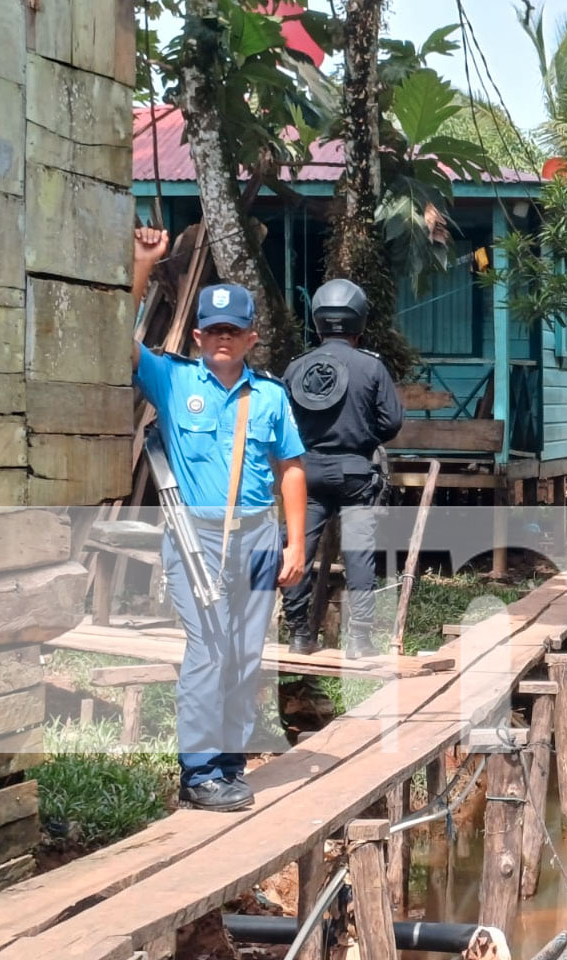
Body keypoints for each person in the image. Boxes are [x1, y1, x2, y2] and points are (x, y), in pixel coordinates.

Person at [130, 227, 307, 812]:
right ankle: (199, 772)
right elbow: (116, 340)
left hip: (258, 537)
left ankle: (229, 763)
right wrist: (143, 265)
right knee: (208, 649)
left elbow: (291, 472)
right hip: (194, 537)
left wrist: (295, 544)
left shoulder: (272, 397)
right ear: (199, 334)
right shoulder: (175, 381)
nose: (223, 339)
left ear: (251, 337)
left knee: (247, 653)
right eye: (214, 330)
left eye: (234, 331)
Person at [279, 279, 405, 659]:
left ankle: (300, 635)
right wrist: (364, 436)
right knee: (358, 552)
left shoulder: (297, 368)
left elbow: (281, 422)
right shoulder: (371, 367)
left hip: (306, 474)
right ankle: (359, 640)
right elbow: (392, 422)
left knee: (296, 547)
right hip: (355, 473)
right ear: (360, 323)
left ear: (318, 323)